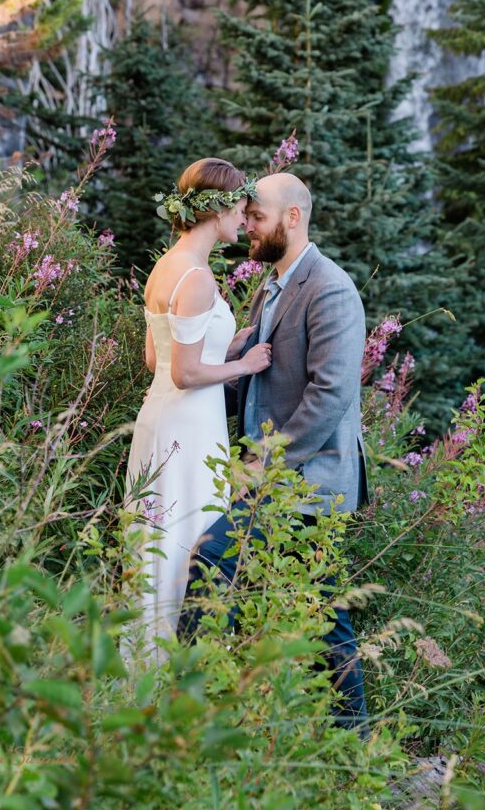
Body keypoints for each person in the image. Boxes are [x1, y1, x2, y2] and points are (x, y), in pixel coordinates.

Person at [177, 172, 369, 730]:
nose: (249, 225)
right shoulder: (272, 285)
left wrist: (264, 463)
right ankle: (334, 740)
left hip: (310, 478)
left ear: (292, 217)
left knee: (214, 560)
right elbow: (251, 374)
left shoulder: (329, 287)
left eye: (257, 215)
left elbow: (331, 393)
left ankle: (193, 713)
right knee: (319, 614)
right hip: (277, 478)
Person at [126, 158, 272, 664]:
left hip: (160, 420)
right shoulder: (200, 280)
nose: (245, 219)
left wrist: (222, 348)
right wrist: (244, 364)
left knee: (157, 534)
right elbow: (183, 374)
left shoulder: (166, 268)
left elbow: (155, 357)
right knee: (190, 531)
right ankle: (176, 666)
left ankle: (146, 659)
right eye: (241, 208)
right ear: (220, 208)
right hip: (188, 426)